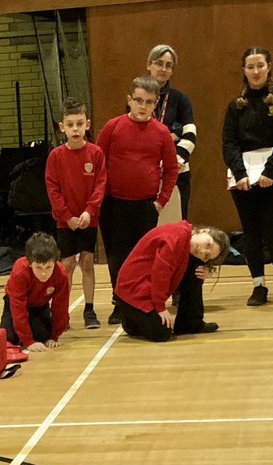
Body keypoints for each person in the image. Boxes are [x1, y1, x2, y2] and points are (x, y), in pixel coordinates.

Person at [222, 46, 273, 306]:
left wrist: (269, 171)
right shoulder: (235, 106)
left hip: (272, 178)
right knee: (251, 235)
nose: (255, 71)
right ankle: (259, 285)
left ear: (269, 67)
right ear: (244, 71)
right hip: (244, 181)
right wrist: (240, 174)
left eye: (260, 65)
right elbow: (229, 143)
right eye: (250, 66)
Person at [97, 76, 179, 324]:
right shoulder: (113, 127)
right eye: (139, 100)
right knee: (117, 256)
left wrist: (160, 201)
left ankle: (139, 301)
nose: (143, 106)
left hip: (146, 206)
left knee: (142, 257)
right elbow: (98, 162)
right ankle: (118, 303)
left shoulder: (162, 132)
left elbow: (172, 169)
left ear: (156, 104)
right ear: (129, 100)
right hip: (113, 204)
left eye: (149, 102)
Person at [45, 97, 107, 330]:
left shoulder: (96, 154)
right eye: (70, 124)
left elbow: (100, 185)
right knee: (67, 264)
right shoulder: (55, 157)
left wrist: (90, 212)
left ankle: (89, 310)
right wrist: (66, 216)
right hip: (66, 221)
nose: (75, 129)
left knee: (88, 262)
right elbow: (53, 189)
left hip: (88, 220)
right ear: (62, 127)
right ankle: (61, 312)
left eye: (79, 124)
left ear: (87, 125)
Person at [114, 221, 229, 342]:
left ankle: (190, 323)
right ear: (204, 231)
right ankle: (131, 319)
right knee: (162, 333)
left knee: (196, 265)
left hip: (144, 287)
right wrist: (160, 307)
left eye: (206, 256)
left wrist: (206, 271)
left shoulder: (188, 240)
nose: (202, 251)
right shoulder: (177, 237)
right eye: (208, 245)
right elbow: (160, 273)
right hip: (133, 290)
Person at [145, 44, 197, 219]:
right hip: (147, 172)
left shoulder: (180, 99)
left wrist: (173, 162)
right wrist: (173, 133)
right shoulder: (140, 98)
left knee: (176, 224)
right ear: (149, 64)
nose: (163, 69)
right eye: (159, 63)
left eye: (169, 65)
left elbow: (190, 133)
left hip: (177, 171)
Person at [0, 231, 69, 352]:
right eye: (39, 267)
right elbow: (18, 308)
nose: (44, 273)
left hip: (40, 305)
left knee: (43, 336)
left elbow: (61, 306)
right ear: (30, 263)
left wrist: (54, 336)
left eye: (48, 267)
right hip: (15, 303)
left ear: (55, 263)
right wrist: (28, 341)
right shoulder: (20, 271)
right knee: (9, 338)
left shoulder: (61, 273)